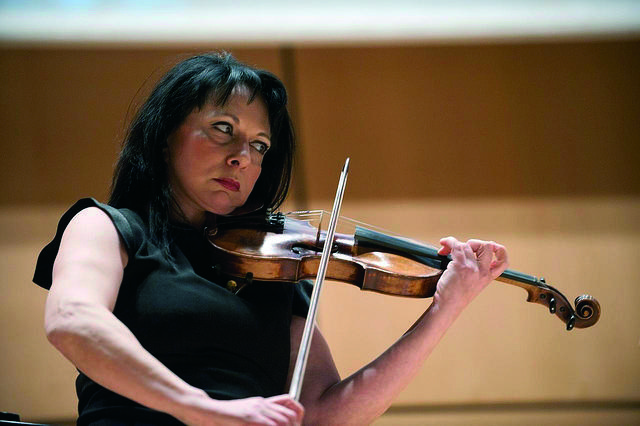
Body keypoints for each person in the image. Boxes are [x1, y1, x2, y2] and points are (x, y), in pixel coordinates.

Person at [33, 52, 509, 425]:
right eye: (224, 129)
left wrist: (445, 309)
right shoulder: (108, 227)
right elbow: (72, 320)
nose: (244, 157)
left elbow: (321, 415)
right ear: (164, 136)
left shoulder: (273, 268)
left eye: (259, 145)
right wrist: (203, 409)